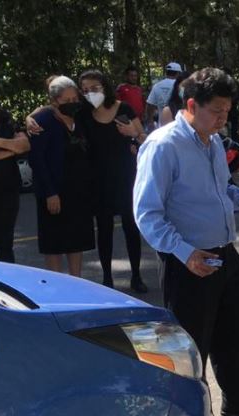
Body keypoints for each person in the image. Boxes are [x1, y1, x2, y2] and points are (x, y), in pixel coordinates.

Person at [134, 67, 239, 416]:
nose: (222, 119)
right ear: (191, 105)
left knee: (237, 331)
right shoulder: (163, 145)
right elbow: (147, 214)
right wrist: (185, 253)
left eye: (227, 111)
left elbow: (221, 191)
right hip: (187, 258)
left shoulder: (213, 141)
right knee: (191, 344)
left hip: (223, 252)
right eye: (216, 110)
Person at [80, 69, 148, 291]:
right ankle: (107, 278)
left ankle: (136, 276)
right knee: (105, 229)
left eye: (95, 88)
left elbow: (145, 138)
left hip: (126, 177)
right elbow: (52, 109)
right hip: (98, 179)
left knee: (130, 227)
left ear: (105, 87)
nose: (91, 93)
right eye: (86, 90)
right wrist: (30, 118)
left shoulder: (124, 108)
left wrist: (132, 132)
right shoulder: (83, 114)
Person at [27, 76, 96, 276]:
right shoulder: (42, 122)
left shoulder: (80, 117)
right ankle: (57, 289)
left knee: (77, 243)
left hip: (79, 192)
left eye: (75, 98)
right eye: (66, 100)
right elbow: (37, 161)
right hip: (54, 194)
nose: (72, 103)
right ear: (54, 101)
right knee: (54, 245)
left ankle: (76, 283)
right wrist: (50, 193)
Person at [0, 69, 30, 263]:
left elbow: (25, 144)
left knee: (5, 244)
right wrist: (12, 148)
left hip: (8, 190)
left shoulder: (5, 116)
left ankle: (6, 291)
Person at [145, 62, 181, 129]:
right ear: (178, 73)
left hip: (162, 127)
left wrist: (150, 121)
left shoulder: (157, 86)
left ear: (166, 72)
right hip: (178, 127)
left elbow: (150, 105)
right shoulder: (180, 86)